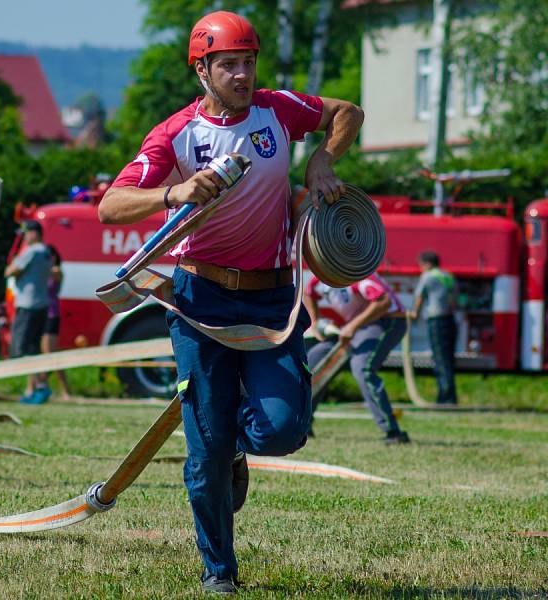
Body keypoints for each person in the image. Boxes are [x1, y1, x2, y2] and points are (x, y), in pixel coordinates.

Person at [97, 10, 364, 594]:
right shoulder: (175, 134)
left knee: (284, 429)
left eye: (248, 62)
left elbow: (347, 112)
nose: (242, 75)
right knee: (204, 456)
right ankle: (219, 570)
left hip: (272, 300)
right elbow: (110, 205)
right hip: (199, 301)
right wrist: (174, 192)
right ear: (203, 70)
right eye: (229, 65)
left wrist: (323, 158)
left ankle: (237, 446)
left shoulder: (278, 109)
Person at [303, 272, 411, 445]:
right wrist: (315, 322)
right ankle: (303, 426)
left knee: (362, 368)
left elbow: (384, 302)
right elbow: (308, 293)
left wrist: (352, 326)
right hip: (356, 326)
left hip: (386, 321)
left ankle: (393, 432)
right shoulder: (321, 274)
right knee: (315, 360)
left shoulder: (354, 271)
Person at [4, 220, 53, 404]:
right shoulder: (47, 252)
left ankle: (40, 387)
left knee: (24, 350)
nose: (24, 237)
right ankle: (32, 389)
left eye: (26, 233)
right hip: (42, 304)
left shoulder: (31, 252)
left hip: (27, 304)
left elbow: (10, 271)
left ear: (34, 233)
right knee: (34, 349)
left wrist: (11, 269)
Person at [409, 250, 458, 404]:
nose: (420, 269)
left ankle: (445, 397)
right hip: (450, 320)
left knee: (440, 360)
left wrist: (414, 314)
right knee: (449, 359)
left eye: (421, 265)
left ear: (428, 264)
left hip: (436, 320)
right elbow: (455, 300)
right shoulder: (448, 276)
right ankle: (450, 395)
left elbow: (420, 296)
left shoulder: (428, 276)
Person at [41, 245, 71, 399]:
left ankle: (63, 390)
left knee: (50, 355)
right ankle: (39, 387)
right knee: (42, 354)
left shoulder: (56, 271)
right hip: (41, 314)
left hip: (51, 315)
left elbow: (48, 274)